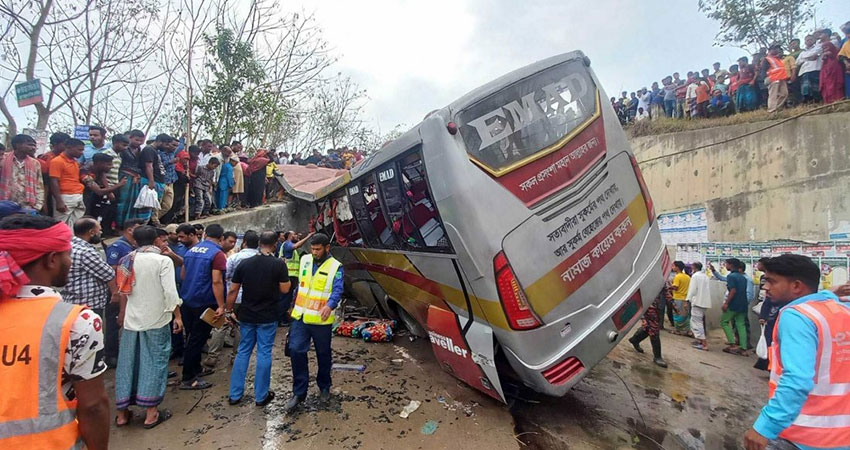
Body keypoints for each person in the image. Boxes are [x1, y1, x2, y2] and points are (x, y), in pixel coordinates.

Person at [0, 215, 110, 449]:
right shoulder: (77, 322)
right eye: (67, 254)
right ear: (51, 260)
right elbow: (93, 406)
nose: (70, 261)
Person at [743, 254, 850, 450]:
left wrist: (765, 426)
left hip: (804, 436)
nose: (765, 287)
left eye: (772, 281)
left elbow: (797, 379)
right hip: (841, 436)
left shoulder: (797, 316)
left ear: (796, 286)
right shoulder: (842, 310)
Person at [113, 225, 182, 429]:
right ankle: (151, 413)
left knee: (128, 363)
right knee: (154, 362)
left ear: (135, 241)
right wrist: (177, 316)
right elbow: (170, 292)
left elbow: (123, 291)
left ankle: (122, 414)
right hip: (156, 319)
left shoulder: (126, 260)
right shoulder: (162, 261)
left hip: (131, 320)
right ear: (155, 241)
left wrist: (123, 314)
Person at [227, 231, 291, 406]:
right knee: (264, 352)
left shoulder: (245, 264)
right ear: (275, 244)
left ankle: (235, 395)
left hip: (247, 314)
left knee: (243, 351)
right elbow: (285, 290)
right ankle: (261, 396)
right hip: (268, 316)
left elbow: (233, 290)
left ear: (258, 243)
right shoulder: (278, 264)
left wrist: (228, 310)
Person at [284, 233, 344, 412]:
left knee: (323, 354)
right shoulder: (305, 260)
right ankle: (299, 392)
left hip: (321, 319)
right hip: (300, 317)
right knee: (295, 350)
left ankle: (324, 386)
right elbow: (301, 286)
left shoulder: (336, 267)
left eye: (318, 249)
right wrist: (292, 306)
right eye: (313, 249)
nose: (315, 252)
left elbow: (338, 290)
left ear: (327, 248)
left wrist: (330, 306)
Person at [63, 217, 122, 367]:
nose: (101, 231)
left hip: (70, 300)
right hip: (89, 302)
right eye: (99, 229)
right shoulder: (85, 252)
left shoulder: (68, 247)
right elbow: (108, 273)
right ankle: (90, 366)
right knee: (90, 338)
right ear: (91, 232)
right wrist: (115, 293)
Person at [179, 223, 227, 390]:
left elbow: (183, 275)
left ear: (205, 234)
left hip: (187, 299)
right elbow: (216, 281)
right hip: (205, 302)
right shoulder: (218, 254)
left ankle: (196, 369)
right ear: (221, 238)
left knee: (192, 336)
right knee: (198, 340)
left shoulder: (191, 250)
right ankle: (189, 377)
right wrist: (221, 306)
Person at [83, 153, 126, 234]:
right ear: (99, 163)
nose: (112, 166)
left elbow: (103, 178)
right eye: (109, 164)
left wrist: (109, 192)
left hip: (89, 193)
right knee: (86, 214)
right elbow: (99, 191)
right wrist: (119, 185)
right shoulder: (85, 171)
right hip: (81, 194)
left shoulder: (99, 168)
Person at [627, 284, 669, 368]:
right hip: (648, 305)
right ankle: (657, 357)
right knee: (654, 329)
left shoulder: (662, 277)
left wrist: (673, 305)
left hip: (657, 306)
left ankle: (635, 339)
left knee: (648, 328)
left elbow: (666, 291)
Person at [279, 230, 315, 326]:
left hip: (291, 275)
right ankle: (282, 319)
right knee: (285, 299)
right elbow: (296, 245)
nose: (296, 235)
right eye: (294, 234)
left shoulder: (288, 246)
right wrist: (308, 237)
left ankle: (283, 318)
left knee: (288, 298)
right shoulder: (287, 244)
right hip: (288, 275)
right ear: (289, 236)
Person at [0, 134, 44, 211]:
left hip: (26, 206)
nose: (33, 148)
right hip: (4, 204)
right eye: (30, 145)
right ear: (18, 145)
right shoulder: (3, 159)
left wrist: (38, 206)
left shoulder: (35, 163)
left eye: (34, 146)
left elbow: (39, 186)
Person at [49, 138, 86, 226]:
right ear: (69, 147)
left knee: (74, 224)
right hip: (65, 197)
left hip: (77, 195)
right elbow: (53, 181)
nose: (82, 153)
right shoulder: (57, 161)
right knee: (61, 224)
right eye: (79, 150)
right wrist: (59, 201)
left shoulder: (74, 162)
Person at [138, 134, 171, 226]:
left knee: (152, 206)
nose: (167, 147)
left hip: (158, 181)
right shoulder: (149, 150)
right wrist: (151, 181)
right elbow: (149, 166)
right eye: (166, 144)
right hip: (151, 181)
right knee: (146, 205)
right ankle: (142, 226)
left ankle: (148, 224)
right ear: (160, 141)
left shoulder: (155, 151)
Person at [720, 258, 750, 356]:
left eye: (726, 264)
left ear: (731, 265)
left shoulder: (731, 276)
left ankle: (732, 344)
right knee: (741, 324)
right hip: (743, 304)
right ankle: (743, 347)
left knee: (724, 321)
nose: (725, 266)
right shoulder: (743, 277)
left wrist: (726, 303)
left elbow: (733, 291)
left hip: (733, 304)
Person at [687, 262, 712, 350]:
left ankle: (704, 343)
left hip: (697, 301)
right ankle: (699, 340)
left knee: (696, 322)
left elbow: (692, 290)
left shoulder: (695, 276)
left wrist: (688, 300)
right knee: (698, 321)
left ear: (694, 267)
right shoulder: (705, 276)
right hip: (704, 302)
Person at [818, 29, 845, 104]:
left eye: (826, 47)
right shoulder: (824, 62)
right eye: (823, 48)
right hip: (827, 79)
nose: (825, 50)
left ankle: (838, 102)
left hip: (834, 77)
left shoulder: (836, 61)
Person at [157, 135, 178, 223]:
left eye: (176, 146)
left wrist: (182, 137)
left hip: (171, 182)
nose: (175, 147)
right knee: (158, 204)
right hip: (162, 181)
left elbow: (180, 146)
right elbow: (159, 166)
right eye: (173, 145)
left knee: (168, 205)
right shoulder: (159, 153)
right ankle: (154, 221)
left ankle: (155, 218)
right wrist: (170, 162)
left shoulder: (173, 153)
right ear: (168, 144)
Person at [797, 35, 823, 103]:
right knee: (806, 88)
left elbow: (815, 54)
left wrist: (804, 59)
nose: (809, 41)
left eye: (811, 39)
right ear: (805, 42)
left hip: (815, 69)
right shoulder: (802, 52)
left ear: (814, 40)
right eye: (807, 40)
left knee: (816, 88)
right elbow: (797, 62)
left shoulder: (818, 47)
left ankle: (817, 102)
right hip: (804, 71)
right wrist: (808, 58)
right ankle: (808, 103)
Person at [765, 43, 790, 112]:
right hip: (773, 79)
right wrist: (766, 79)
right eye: (775, 48)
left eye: (778, 48)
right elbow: (763, 70)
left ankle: (777, 108)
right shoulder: (767, 59)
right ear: (770, 50)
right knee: (773, 95)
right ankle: (772, 110)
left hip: (781, 78)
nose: (777, 50)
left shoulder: (778, 59)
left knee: (784, 94)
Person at [670, 261, 692, 334]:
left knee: (677, 314)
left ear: (677, 267)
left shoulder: (677, 276)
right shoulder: (687, 277)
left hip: (678, 297)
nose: (672, 267)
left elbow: (675, 287)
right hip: (686, 298)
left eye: (673, 266)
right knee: (685, 315)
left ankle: (678, 330)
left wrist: (669, 285)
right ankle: (687, 330)